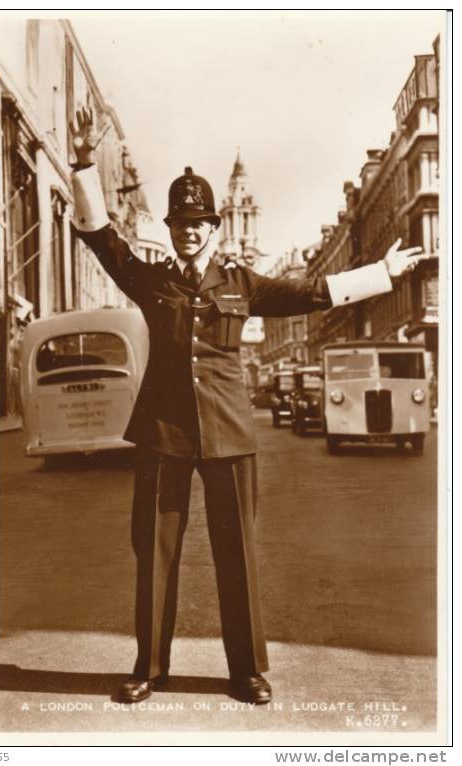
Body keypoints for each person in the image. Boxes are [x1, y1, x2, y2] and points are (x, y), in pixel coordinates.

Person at [69, 107, 425, 705]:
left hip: (230, 431)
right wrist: (82, 165)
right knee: (154, 551)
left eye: (197, 222)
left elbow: (312, 292)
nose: (187, 231)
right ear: (173, 226)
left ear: (213, 226)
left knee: (237, 551)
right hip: (161, 430)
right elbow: (102, 240)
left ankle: (246, 671)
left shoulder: (241, 283)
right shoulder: (152, 278)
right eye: (179, 222)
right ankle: (148, 667)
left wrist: (382, 275)